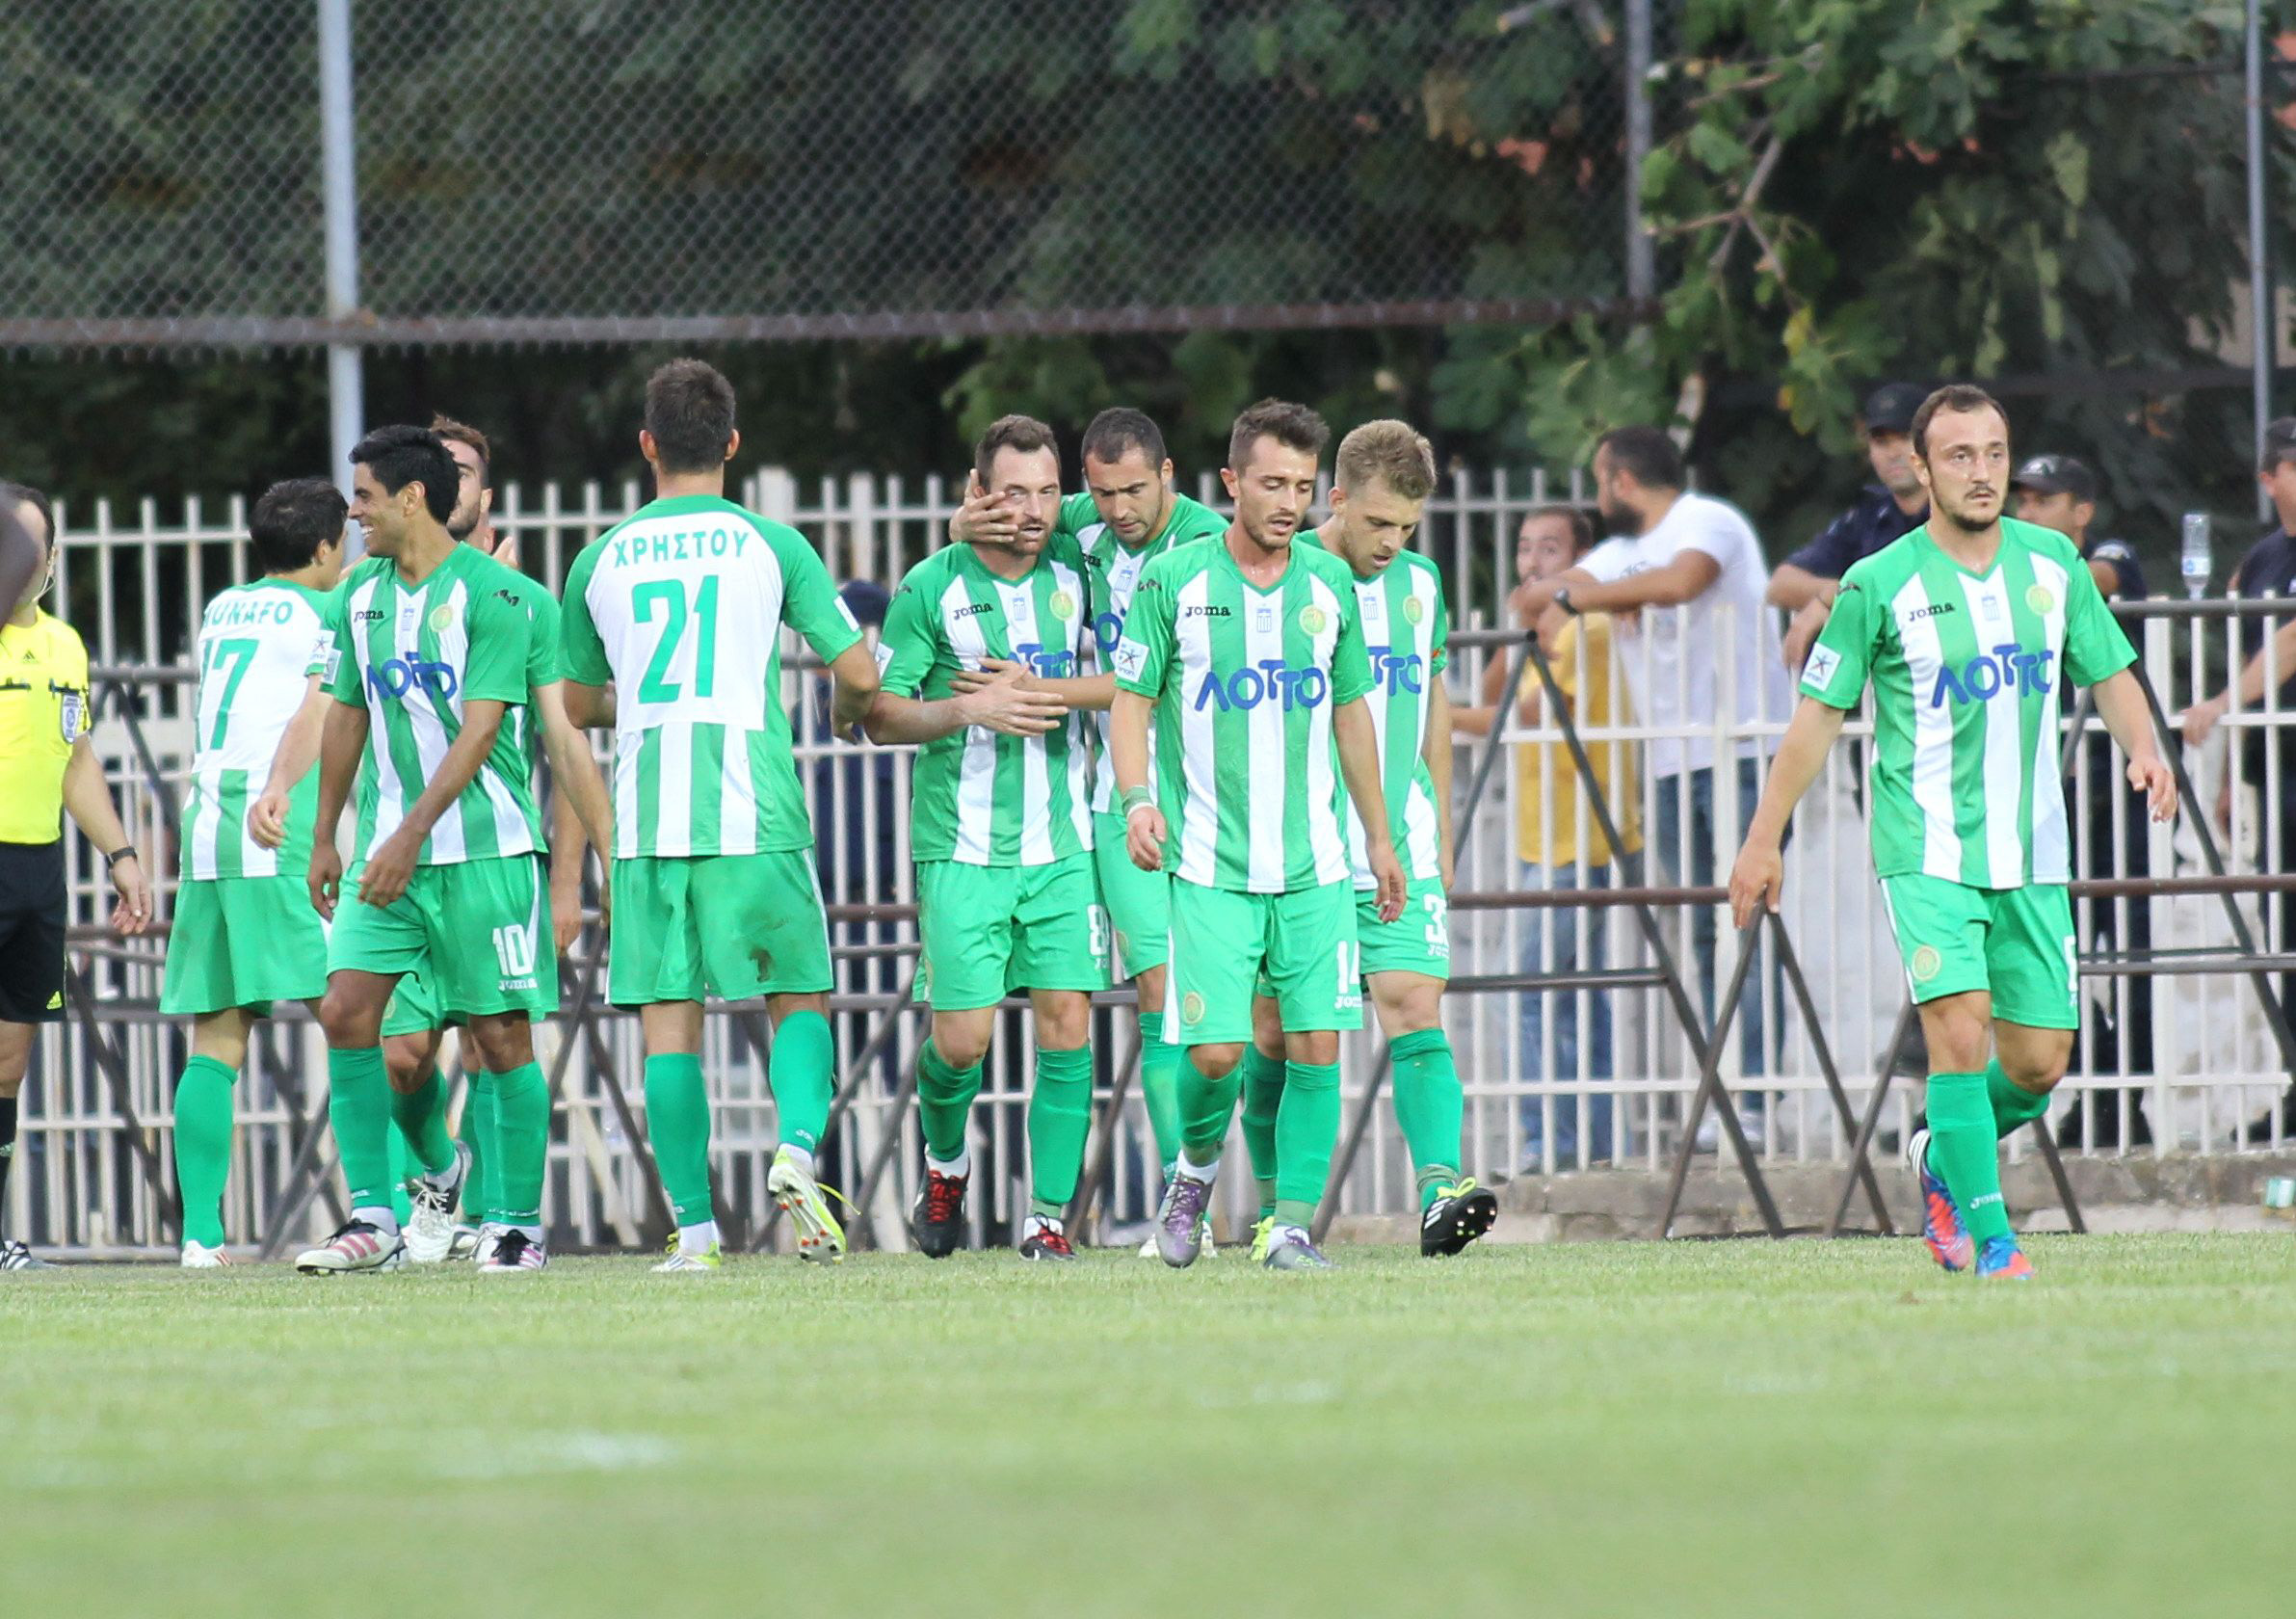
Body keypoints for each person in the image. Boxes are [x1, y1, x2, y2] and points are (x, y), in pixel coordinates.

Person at [1729, 385, 2177, 1282]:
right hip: (1925, 848)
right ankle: (1991, 1239)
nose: (1981, 472)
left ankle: (1941, 1154)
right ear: (1922, 468)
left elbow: (2109, 671)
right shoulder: (1877, 582)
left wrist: (2145, 748)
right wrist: (1762, 838)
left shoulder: (2052, 564)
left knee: (2039, 1063)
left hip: (2030, 850)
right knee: (1959, 1035)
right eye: (1959, 455)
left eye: (1993, 453)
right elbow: (1816, 718)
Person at [560, 358, 880, 1271]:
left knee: (669, 1027)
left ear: (647, 445)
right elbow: (858, 674)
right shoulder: (771, 545)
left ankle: (694, 1234)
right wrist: (846, 713)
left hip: (650, 820)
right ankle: (796, 1151)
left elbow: (577, 704)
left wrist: (653, 705)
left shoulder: (599, 558)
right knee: (797, 995)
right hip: (754, 811)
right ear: (732, 443)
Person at [288, 425, 613, 1277]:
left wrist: (409, 835)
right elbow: (346, 713)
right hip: (388, 856)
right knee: (346, 1012)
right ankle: (374, 1215)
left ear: (410, 498)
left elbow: (480, 730)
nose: (353, 515)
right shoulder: (356, 598)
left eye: (364, 498)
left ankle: (515, 1226)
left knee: (500, 1037)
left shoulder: (499, 597)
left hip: (486, 855)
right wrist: (324, 835)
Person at [1108, 398, 1407, 1272]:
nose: (1288, 502)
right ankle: (1195, 1171)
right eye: (1272, 483)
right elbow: (1131, 702)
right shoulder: (1174, 582)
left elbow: (1351, 714)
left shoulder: (1329, 585)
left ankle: (1290, 1226)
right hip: (1208, 864)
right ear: (1231, 482)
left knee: (1315, 1044)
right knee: (1216, 1053)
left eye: (1302, 487)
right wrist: (1136, 800)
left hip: (1315, 864)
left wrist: (1379, 839)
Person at [955, 407, 1227, 1253]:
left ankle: (1252, 1197)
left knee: (1233, 1020)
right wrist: (961, 524)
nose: (1118, 510)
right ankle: (1184, 1207)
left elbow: (1143, 681)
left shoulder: (1210, 543)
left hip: (1214, 800)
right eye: (1102, 494)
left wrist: (1037, 690)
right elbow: (1005, 520)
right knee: (1159, 998)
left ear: (1168, 475)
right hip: (1120, 799)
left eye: (1134, 491)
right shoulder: (1082, 525)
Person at [863, 414, 1109, 1261]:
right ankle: (945, 1165)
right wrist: (970, 708)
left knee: (1067, 1025)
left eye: (1047, 493)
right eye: (1012, 494)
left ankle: (1047, 1221)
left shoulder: (1079, 563)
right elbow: (878, 715)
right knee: (961, 1042)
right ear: (977, 492)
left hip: (1063, 847)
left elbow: (1147, 513)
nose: (1033, 512)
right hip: (961, 849)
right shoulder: (930, 584)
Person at [1249, 417, 1494, 1259]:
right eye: (1378, 522)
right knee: (1276, 1034)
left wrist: (1441, 826)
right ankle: (1273, 1212)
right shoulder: (1286, 577)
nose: (1392, 543)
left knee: (1414, 1004)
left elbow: (1432, 705)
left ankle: (1439, 1193)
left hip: (1401, 840)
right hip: (1299, 847)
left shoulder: (1421, 585)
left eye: (1407, 528)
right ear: (1337, 498)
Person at [1515, 425, 1793, 1123]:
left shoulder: (1706, 520)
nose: (1598, 496)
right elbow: (1533, 601)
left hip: (1741, 750)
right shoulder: (1619, 554)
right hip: (1669, 761)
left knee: (1747, 922)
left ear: (1622, 481)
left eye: (1599, 481)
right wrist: (1586, 594)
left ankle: (1756, 1095)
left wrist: (1587, 598)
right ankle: (1730, 1086)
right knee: (1701, 928)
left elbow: (1681, 582)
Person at [159, 479, 351, 1266]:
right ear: (325, 548)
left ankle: (200, 1236)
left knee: (216, 1037)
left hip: (207, 831)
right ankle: (404, 1207)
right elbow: (319, 707)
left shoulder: (223, 610)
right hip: (273, 830)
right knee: (355, 1018)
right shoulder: (325, 613)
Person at [1454, 506, 1641, 1169]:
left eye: (1549, 549)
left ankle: (1549, 1144)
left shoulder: (1588, 628)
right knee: (1573, 996)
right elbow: (1495, 689)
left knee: (1525, 990)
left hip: (1581, 836)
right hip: (1548, 837)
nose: (1531, 561)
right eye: (1524, 547)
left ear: (1580, 561)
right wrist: (1521, 628)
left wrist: (1436, 715)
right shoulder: (1547, 629)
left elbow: (1526, 712)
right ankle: (1596, 1146)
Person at [0, 482, 152, 1271]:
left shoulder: (64, 645)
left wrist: (121, 855)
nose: (25, 560)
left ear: (53, 557)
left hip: (37, 869)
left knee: (9, 1060)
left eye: (35, 545)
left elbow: (76, 757)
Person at [2009, 454, 2154, 1147]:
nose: (2028, 512)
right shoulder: (2011, 578)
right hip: (2055, 800)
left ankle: (2129, 1099)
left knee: (2129, 959)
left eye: (2044, 500)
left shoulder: (2103, 559)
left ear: (2081, 511)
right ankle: (2096, 1088)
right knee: (2055, 961)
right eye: (2022, 501)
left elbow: (2099, 578)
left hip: (2119, 795)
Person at [2180, 418, 2296, 1140]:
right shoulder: (2260, 561)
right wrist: (2228, 774)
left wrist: (2222, 704)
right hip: (2276, 770)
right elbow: (2245, 647)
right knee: (2284, 935)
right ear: (2268, 479)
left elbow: (2290, 638)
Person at [1770, 382, 1932, 671]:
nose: (1893, 452)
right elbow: (1781, 585)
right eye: (1881, 442)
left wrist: (1834, 600)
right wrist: (1840, 594)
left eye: (1905, 438)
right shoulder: (1866, 516)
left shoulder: (1959, 510)